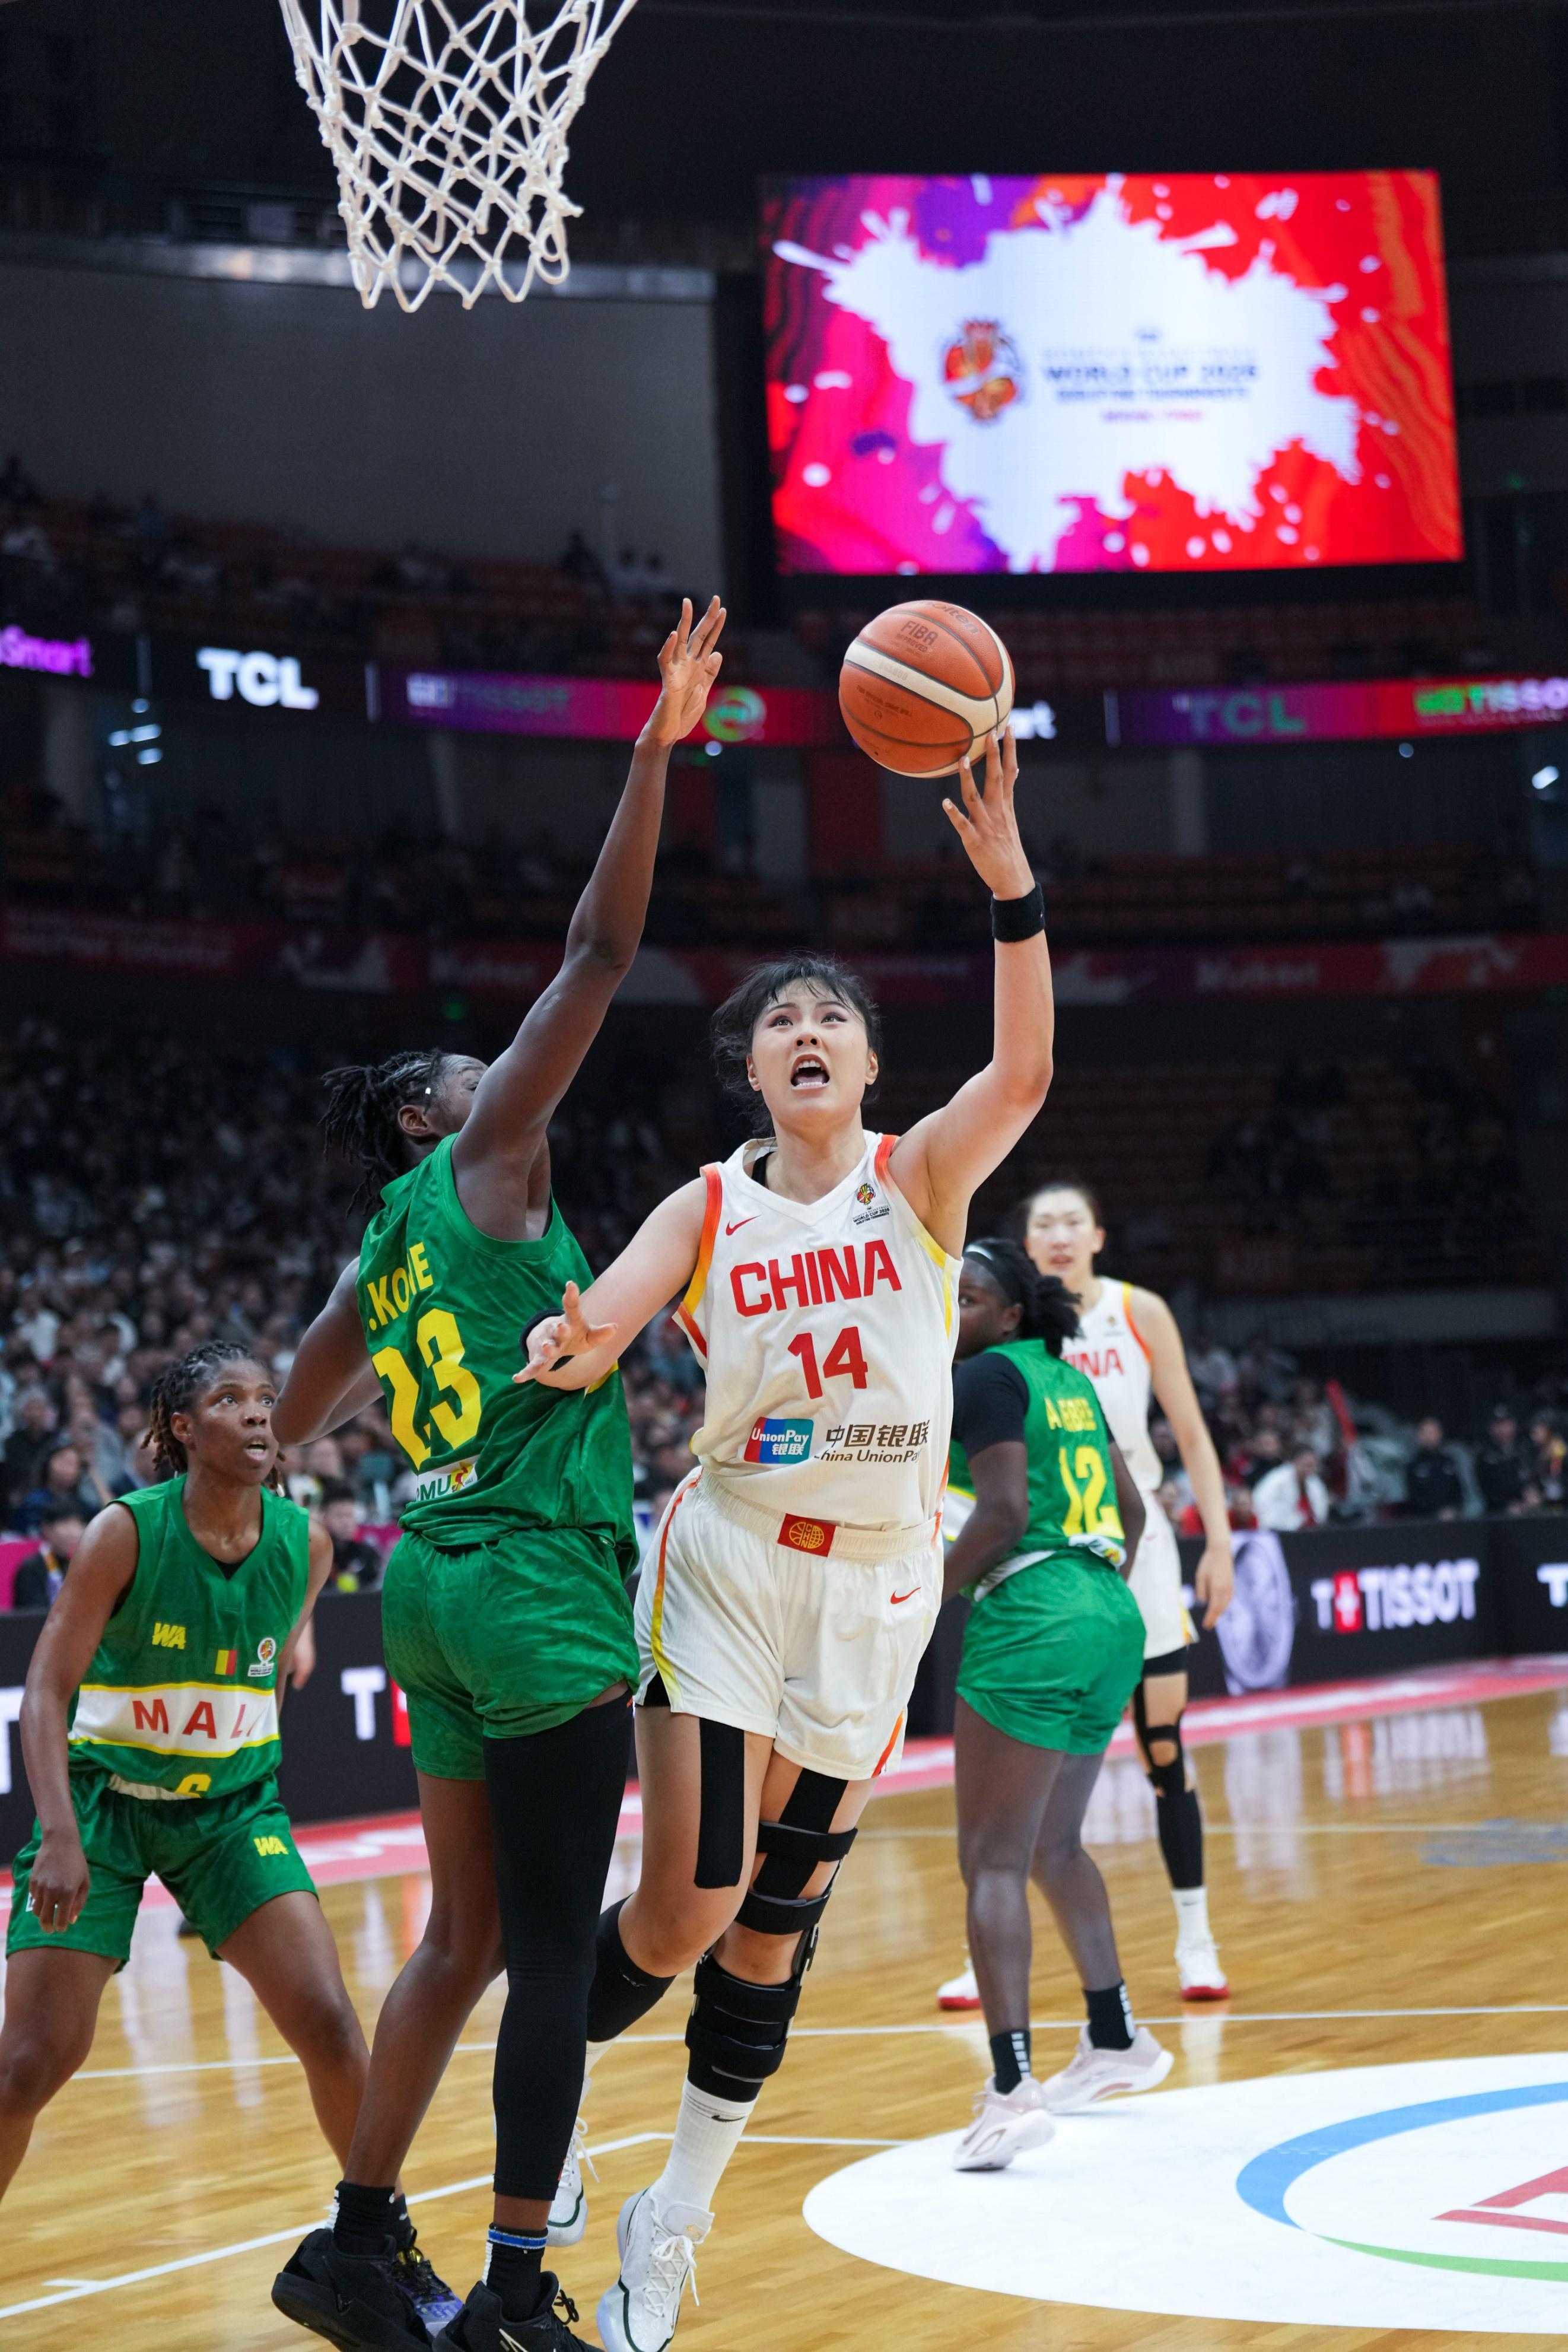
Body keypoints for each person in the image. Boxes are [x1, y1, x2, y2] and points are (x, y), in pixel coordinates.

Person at [517, 723, 1054, 2351]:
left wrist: (1010, 889)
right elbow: (606, 1318)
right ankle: (550, 2094)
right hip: (733, 1559)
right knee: (689, 1901)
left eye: (830, 1017)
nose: (804, 1030)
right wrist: (570, 1343)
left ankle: (671, 2216)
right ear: (748, 1072)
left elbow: (1022, 1076)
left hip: (877, 1588)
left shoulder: (920, 1179)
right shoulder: (706, 1204)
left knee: (771, 1928)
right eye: (778, 1022)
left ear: (870, 1066)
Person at [268, 597, 728, 2352]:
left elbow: (293, 1414)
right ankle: (517, 2291)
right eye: (476, 1073)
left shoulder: (375, 1253)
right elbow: (599, 950)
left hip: (428, 1576)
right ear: (429, 1115)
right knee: (542, 1949)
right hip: (531, 1580)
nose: (505, 1073)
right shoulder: (486, 1163)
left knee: (454, 1940)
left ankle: (353, 2242)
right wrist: (650, 748)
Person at [0, 1344, 419, 2275]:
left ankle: (378, 2254)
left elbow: (267, 1662)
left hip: (231, 1811)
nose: (260, 1412)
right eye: (231, 1400)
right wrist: (60, 1834)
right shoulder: (123, 1532)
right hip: (105, 1807)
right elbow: (45, 1690)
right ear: (183, 1429)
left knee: (329, 2022)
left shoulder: (307, 1544)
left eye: (266, 1397)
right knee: (29, 2063)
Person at [967, 1178, 1235, 2004]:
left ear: (1097, 1235)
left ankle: (1195, 1936)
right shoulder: (1000, 1339)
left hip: (1130, 1543)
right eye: (1043, 1222)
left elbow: (1190, 1432)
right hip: (1046, 1553)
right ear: (1027, 1242)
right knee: (1022, 1768)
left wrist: (1218, 1540)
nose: (1058, 1232)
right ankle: (991, 1935)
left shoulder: (1135, 1310)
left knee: (1162, 1744)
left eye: (1072, 1220)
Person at [941, 1240, 1171, 2170]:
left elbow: (998, 1514)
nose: (951, 1310)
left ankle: (1009, 2091)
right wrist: (1088, 1582)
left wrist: (924, 1602)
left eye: (967, 1298)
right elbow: (1133, 1510)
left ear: (1007, 1314)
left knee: (990, 1861)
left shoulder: (985, 1376)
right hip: (1108, 1607)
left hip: (1034, 1612)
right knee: (1052, 1846)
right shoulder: (1069, 1381)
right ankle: (1115, 2037)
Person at [11, 1502, 84, 1611]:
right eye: (65, 1524)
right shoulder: (31, 1568)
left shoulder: (83, 1564)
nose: (73, 1533)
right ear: (47, 1529)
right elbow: (31, 1614)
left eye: (78, 1525)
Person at [319, 1479, 386, 1591]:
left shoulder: (367, 1554)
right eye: (339, 1516)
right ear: (324, 1517)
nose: (345, 1523)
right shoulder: (316, 1555)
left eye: (349, 1515)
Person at [1252, 1442, 1331, 1531]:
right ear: (1296, 1461)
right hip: (1280, 1529)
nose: (1310, 1469)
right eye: (1307, 1465)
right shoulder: (1277, 1480)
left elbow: (1320, 1512)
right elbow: (1261, 1504)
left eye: (1312, 1465)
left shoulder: (1315, 1483)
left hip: (1309, 1530)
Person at [1402, 1417, 1463, 1519]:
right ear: (1419, 1436)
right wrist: (1436, 1513)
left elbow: (1458, 1492)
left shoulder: (1448, 1462)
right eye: (1425, 1433)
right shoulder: (1413, 1465)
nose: (1429, 1437)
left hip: (1450, 1519)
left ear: (1440, 1434)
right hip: (1423, 1520)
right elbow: (1412, 1497)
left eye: (1432, 1432)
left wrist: (1452, 1509)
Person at [1476, 1407, 1530, 1515]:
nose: (1503, 1429)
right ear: (1491, 1428)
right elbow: (1486, 1488)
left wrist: (1529, 1495)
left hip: (1525, 1506)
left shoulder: (1524, 1450)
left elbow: (1529, 1478)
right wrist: (1507, 1505)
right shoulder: (1484, 1455)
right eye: (1498, 1425)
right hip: (1497, 1512)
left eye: (1506, 1424)